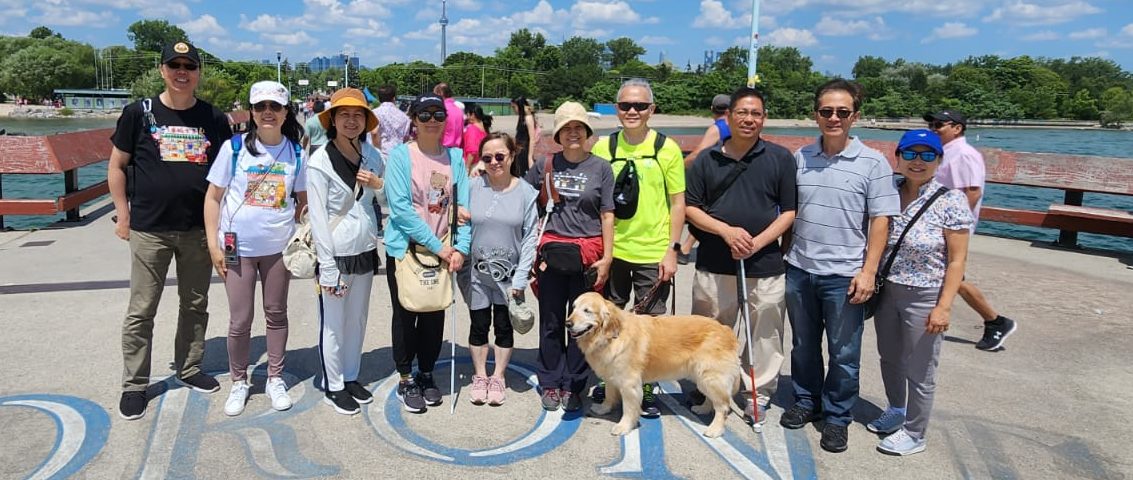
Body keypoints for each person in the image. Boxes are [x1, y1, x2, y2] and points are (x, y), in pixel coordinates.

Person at [108, 40, 233, 420]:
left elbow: (227, 176)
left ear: (198, 73)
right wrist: (123, 215)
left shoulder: (214, 118)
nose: (182, 72)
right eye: (174, 65)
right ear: (162, 69)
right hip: (150, 229)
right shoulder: (139, 113)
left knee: (195, 305)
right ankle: (135, 384)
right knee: (142, 309)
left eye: (189, 66)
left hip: (197, 229)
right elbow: (116, 166)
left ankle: (190, 367)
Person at [781, 79, 900, 453]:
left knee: (845, 353)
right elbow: (789, 212)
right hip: (800, 267)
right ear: (815, 115)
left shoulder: (873, 163)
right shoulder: (800, 158)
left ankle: (837, 417)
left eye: (842, 112)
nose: (834, 118)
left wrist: (868, 271)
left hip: (845, 274)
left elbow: (881, 219)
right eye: (826, 111)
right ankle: (806, 401)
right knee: (802, 346)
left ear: (855, 116)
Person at [684, 87, 796, 426]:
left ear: (763, 118)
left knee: (764, 335)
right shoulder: (706, 160)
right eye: (742, 113)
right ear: (728, 117)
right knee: (710, 334)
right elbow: (691, 208)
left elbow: (789, 212)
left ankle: (756, 393)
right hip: (715, 264)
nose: (749, 119)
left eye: (756, 114)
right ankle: (713, 388)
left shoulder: (780, 158)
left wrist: (757, 242)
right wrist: (726, 231)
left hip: (765, 265)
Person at [203, 81, 308, 416]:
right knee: (240, 319)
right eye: (261, 106)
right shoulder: (233, 149)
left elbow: (303, 202)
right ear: (251, 111)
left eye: (275, 107)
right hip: (237, 247)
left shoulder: (296, 152)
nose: (268, 113)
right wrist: (212, 244)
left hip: (278, 248)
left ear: (285, 112)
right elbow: (213, 197)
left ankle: (275, 377)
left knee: (276, 314)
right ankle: (239, 380)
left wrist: (305, 236)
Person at [869, 129, 972, 455]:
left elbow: (957, 261)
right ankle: (897, 409)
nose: (917, 161)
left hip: (925, 294)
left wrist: (944, 306)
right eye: (910, 154)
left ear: (939, 161)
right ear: (897, 157)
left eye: (927, 155)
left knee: (921, 368)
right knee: (890, 358)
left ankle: (915, 433)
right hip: (887, 290)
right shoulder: (888, 191)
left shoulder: (951, 200)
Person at [589, 78, 686, 418]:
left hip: (652, 251)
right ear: (616, 109)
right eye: (626, 105)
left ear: (651, 110)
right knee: (609, 321)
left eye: (640, 106)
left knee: (651, 325)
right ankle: (611, 382)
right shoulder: (604, 147)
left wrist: (672, 249)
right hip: (614, 250)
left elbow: (678, 203)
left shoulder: (667, 148)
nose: (633, 111)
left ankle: (645, 383)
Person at [384, 93, 472, 413]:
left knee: (435, 314)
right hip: (407, 249)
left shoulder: (456, 158)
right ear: (414, 120)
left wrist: (461, 248)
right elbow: (401, 211)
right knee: (407, 313)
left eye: (438, 114)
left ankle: (426, 372)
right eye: (425, 115)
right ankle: (406, 378)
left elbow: (464, 207)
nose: (432, 121)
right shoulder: (400, 156)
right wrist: (441, 248)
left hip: (445, 249)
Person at [525, 101, 614, 412]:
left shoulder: (601, 167)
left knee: (583, 325)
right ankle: (550, 381)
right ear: (558, 136)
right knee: (551, 320)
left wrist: (608, 258)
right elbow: (523, 199)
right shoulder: (545, 165)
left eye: (579, 128)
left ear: (587, 133)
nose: (573, 133)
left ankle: (575, 384)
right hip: (552, 253)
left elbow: (607, 214)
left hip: (588, 256)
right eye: (567, 129)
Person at [307, 87, 385, 415]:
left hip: (365, 248)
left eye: (358, 115)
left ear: (366, 122)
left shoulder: (374, 157)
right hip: (335, 255)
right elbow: (318, 218)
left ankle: (351, 375)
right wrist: (327, 265)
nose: (351, 121)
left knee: (357, 318)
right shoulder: (319, 161)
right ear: (333, 121)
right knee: (333, 323)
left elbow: (389, 202)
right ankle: (334, 384)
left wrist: (378, 186)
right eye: (344, 115)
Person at [924, 110, 1018, 351]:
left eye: (939, 125)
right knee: (949, 275)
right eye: (931, 124)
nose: (934, 129)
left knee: (952, 277)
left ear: (957, 128)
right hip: (940, 224)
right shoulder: (947, 153)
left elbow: (972, 192)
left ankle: (995, 320)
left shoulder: (964, 154)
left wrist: (953, 225)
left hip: (950, 228)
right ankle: (994, 321)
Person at [459, 132, 538, 405]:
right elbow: (453, 210)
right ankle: (480, 375)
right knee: (478, 324)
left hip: (510, 276)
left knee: (504, 326)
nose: (494, 162)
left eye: (500, 156)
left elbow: (530, 238)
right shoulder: (472, 186)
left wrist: (521, 276)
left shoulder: (526, 192)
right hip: (475, 273)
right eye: (487, 157)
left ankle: (498, 376)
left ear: (512, 155)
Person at [678, 93, 733, 264]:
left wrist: (679, 166)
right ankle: (685, 249)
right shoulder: (735, 126)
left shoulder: (718, 127)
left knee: (696, 210)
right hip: (731, 177)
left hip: (715, 178)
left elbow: (699, 153)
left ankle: (681, 248)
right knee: (709, 212)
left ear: (712, 110)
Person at [371, 85, 411, 158]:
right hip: (399, 155)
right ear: (394, 98)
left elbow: (374, 132)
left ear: (379, 98)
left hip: (381, 154)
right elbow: (406, 139)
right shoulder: (405, 117)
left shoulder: (374, 114)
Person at [511, 96, 539, 177]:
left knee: (523, 173)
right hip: (519, 149)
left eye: (514, 107)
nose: (513, 109)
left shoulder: (528, 118)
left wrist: (530, 157)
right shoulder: (521, 117)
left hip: (525, 150)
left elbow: (532, 139)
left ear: (519, 106)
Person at [461, 103, 492, 171]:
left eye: (467, 114)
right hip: (482, 163)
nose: (467, 117)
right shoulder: (484, 128)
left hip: (473, 166)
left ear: (473, 115)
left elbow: (472, 152)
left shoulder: (472, 129)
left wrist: (466, 168)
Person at [433, 83, 464, 149]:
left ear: (440, 93)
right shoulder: (459, 110)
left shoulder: (442, 109)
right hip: (456, 149)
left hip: (442, 149)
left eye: (434, 95)